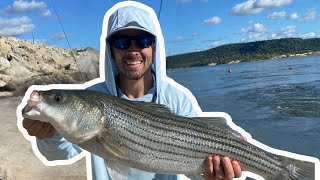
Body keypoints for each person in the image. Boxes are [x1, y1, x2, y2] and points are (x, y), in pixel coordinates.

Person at [22, 1, 242, 180]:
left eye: (143, 40)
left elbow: (196, 173)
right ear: (110, 50)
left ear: (153, 47)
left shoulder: (178, 99)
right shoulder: (94, 94)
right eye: (122, 42)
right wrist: (49, 135)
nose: (133, 50)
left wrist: (215, 176)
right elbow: (59, 154)